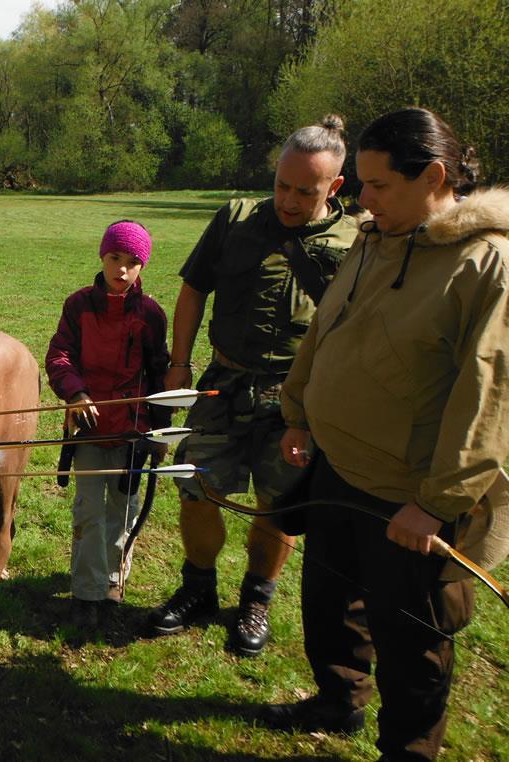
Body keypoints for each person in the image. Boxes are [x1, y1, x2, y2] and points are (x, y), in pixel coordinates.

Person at [263, 108, 509, 760]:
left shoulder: (487, 266)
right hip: (338, 471)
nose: (360, 199)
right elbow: (328, 329)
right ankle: (338, 701)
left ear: (433, 176)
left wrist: (436, 503)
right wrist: (299, 412)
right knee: (329, 610)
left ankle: (408, 751)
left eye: (376, 185)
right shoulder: (376, 238)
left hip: (412, 502)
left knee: (412, 644)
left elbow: (489, 396)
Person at [145, 115, 359, 655]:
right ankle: (198, 588)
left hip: (296, 398)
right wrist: (180, 362)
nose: (288, 199)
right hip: (224, 380)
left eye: (304, 191)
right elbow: (194, 288)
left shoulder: (358, 240)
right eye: (281, 185)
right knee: (196, 486)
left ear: (334, 187)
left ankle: (256, 599)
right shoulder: (236, 218)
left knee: (277, 503)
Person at [46, 220, 171, 629]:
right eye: (115, 258)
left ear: (142, 267)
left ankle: (113, 583)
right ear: (102, 256)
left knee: (123, 510)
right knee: (88, 511)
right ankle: (86, 592)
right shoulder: (78, 305)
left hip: (131, 434)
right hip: (88, 431)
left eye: (133, 262)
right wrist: (76, 393)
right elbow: (60, 356)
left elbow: (158, 375)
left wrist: (159, 430)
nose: (122, 269)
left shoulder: (151, 314)